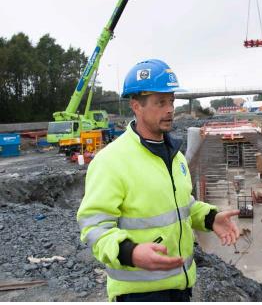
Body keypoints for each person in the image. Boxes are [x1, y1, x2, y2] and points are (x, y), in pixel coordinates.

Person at [77, 59, 240, 302]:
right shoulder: (111, 161)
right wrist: (131, 253)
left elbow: (183, 205)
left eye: (172, 101)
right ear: (136, 106)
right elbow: (94, 228)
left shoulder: (175, 156)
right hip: (138, 295)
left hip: (181, 287)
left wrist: (210, 217)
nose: (170, 109)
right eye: (160, 102)